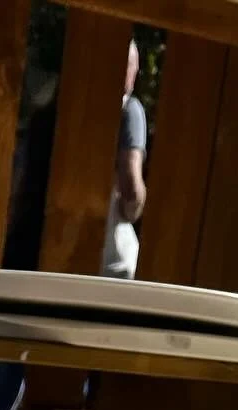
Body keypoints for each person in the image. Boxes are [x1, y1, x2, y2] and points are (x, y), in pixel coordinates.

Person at [102, 39, 147, 279]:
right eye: (132, 65)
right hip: (115, 266)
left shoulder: (67, 106)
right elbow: (131, 187)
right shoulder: (129, 110)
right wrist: (136, 203)